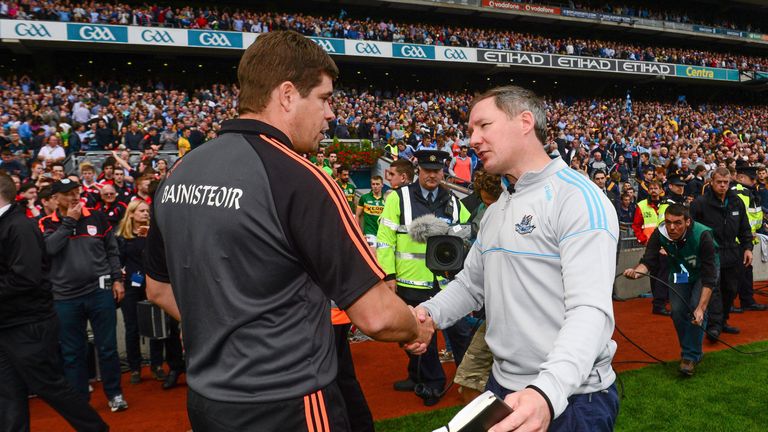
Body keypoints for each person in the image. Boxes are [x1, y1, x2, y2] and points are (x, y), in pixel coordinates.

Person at [144, 30, 432, 431]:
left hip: (209, 401)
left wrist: (229, 335)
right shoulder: (299, 178)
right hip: (289, 400)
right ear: (287, 95)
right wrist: (417, 326)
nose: (331, 114)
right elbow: (378, 317)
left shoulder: (179, 172)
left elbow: (158, 289)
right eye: (325, 98)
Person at [412, 86, 620, 432]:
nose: (473, 140)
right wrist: (428, 314)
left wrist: (546, 392)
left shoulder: (578, 199)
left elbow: (590, 311)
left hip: (569, 397)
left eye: (483, 126)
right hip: (503, 386)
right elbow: (470, 285)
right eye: (470, 132)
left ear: (525, 122)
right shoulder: (498, 209)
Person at [0, 174, 109, 432]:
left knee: (48, 386)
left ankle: (95, 428)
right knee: (7, 395)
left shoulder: (18, 226)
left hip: (28, 325)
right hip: (6, 323)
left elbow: (26, 278)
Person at [376, 149, 472, 406]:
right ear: (419, 171)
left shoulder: (452, 199)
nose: (432, 175)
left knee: (461, 333)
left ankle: (470, 381)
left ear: (443, 172)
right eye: (428, 170)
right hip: (409, 281)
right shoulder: (399, 198)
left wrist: (454, 234)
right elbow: (384, 239)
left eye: (437, 171)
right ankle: (429, 382)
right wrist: (389, 275)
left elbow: (466, 230)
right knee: (416, 337)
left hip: (445, 282)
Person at [39, 178, 128, 412]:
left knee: (107, 347)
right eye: (67, 194)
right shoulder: (46, 223)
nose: (74, 197)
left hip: (99, 292)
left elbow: (112, 251)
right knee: (72, 352)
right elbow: (49, 249)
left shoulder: (98, 217)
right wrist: (70, 221)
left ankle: (115, 394)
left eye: (76, 192)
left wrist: (117, 279)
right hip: (65, 297)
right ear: (55, 198)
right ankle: (80, 401)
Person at [623, 204, 717, 376]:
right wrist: (637, 272)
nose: (672, 227)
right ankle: (692, 350)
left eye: (678, 223)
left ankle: (689, 356)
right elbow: (649, 260)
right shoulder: (660, 233)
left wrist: (701, 308)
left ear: (688, 222)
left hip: (702, 273)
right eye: (668, 222)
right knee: (678, 310)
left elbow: (710, 276)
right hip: (680, 272)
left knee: (696, 308)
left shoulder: (702, 235)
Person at [691, 167, 752, 340]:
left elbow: (744, 228)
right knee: (714, 291)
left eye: (726, 182)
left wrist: (747, 247)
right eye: (719, 182)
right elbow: (692, 229)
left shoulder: (736, 202)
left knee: (730, 290)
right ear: (711, 182)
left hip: (733, 252)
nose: (723, 186)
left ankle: (723, 321)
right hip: (711, 253)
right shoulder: (700, 203)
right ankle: (714, 327)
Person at [731, 165, 768, 312]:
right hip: (736, 240)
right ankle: (730, 304)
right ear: (740, 178)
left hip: (747, 239)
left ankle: (747, 301)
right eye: (751, 178)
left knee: (746, 270)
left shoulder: (749, 192)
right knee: (733, 272)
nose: (754, 181)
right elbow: (736, 218)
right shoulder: (736, 193)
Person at [632, 180, 670, 315]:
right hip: (651, 246)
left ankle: (665, 298)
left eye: (656, 188)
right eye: (651, 188)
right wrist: (643, 240)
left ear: (661, 190)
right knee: (655, 273)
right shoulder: (641, 205)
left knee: (665, 272)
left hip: (666, 245)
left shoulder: (666, 204)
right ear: (648, 190)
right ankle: (658, 300)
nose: (653, 190)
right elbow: (636, 225)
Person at [356, 175, 385, 248]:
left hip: (383, 233)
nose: (375, 186)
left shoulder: (387, 199)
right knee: (373, 253)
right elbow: (357, 215)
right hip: (369, 233)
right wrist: (358, 232)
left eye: (377, 184)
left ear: (382, 185)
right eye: (373, 184)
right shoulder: (364, 198)